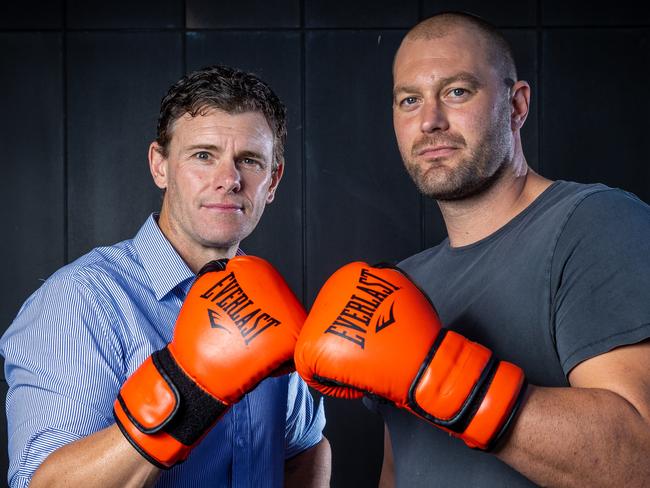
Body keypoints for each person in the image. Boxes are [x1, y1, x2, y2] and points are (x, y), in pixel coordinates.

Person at [294, 12, 650, 487]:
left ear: (517, 105)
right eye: (409, 100)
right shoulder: (400, 285)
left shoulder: (593, 223)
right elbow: (398, 470)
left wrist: (441, 378)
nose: (429, 122)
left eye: (457, 91)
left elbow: (639, 455)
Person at [0, 65, 331, 488]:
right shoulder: (81, 301)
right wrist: (186, 392)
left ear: (272, 181)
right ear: (160, 165)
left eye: (248, 160)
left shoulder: (267, 300)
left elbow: (306, 445)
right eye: (203, 155)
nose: (228, 180)